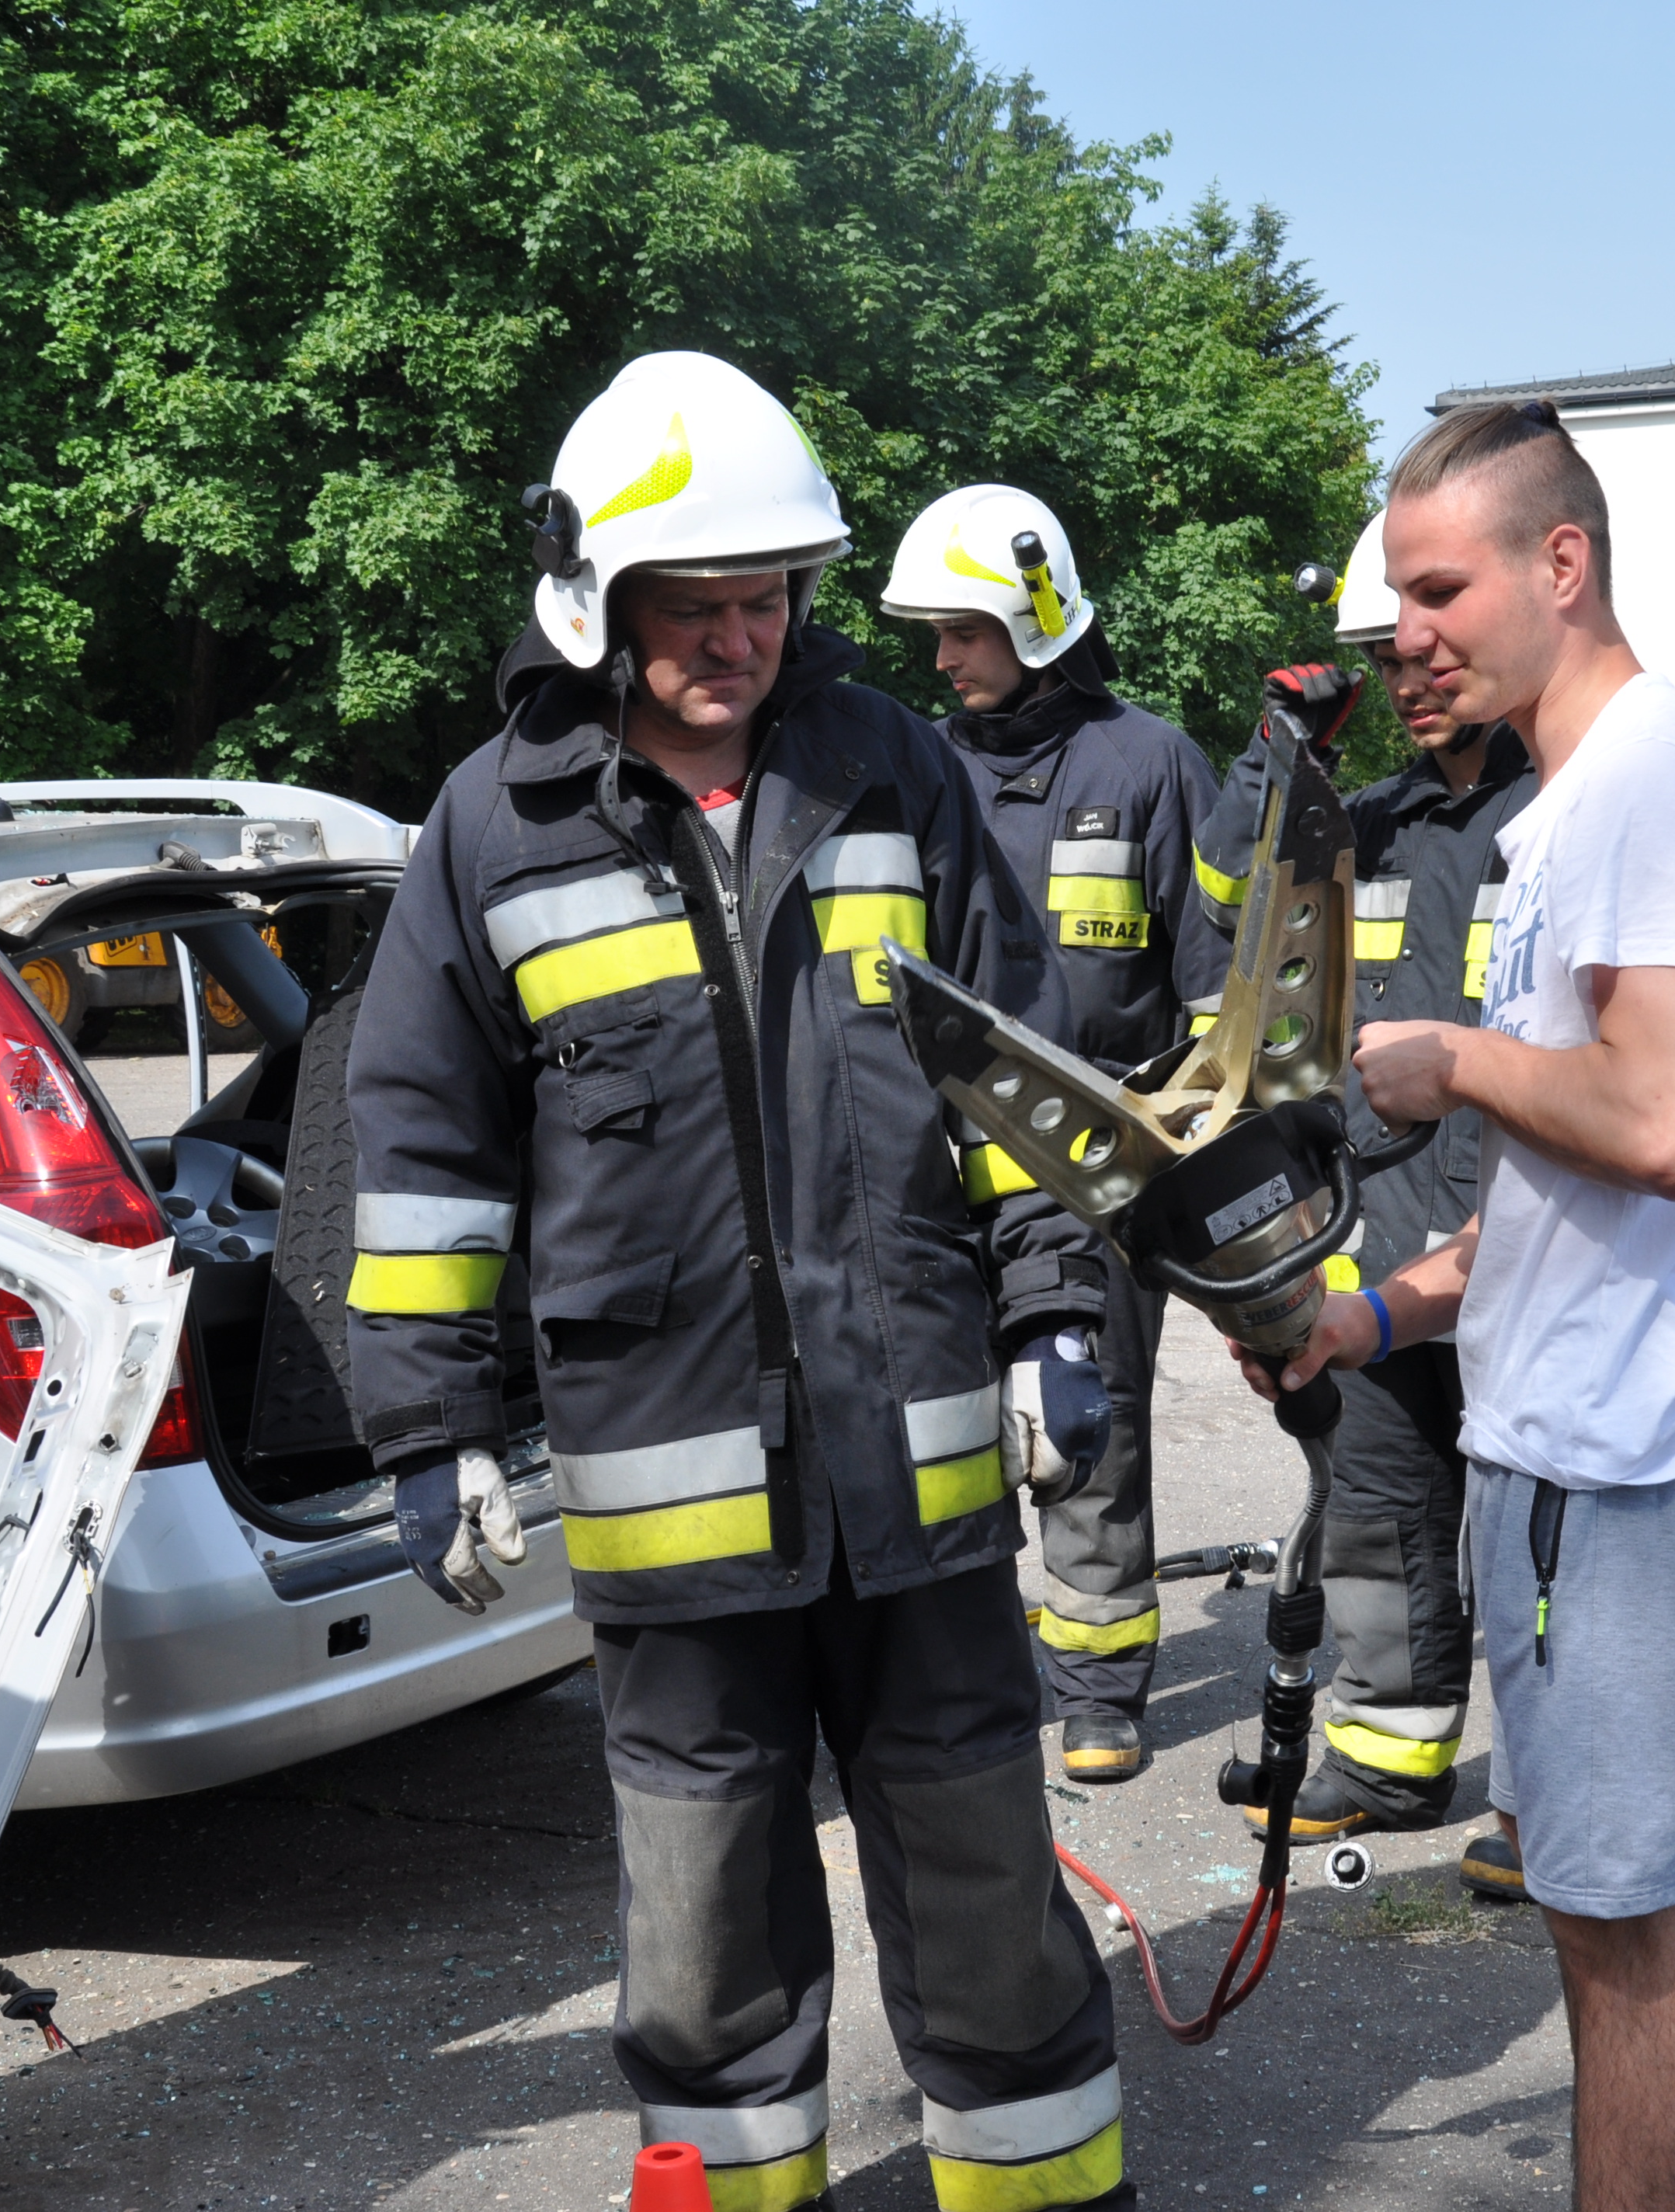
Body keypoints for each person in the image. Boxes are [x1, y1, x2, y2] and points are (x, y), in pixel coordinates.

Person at [347, 352, 1136, 2212]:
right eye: (692, 603)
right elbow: (420, 1142)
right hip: (670, 1482)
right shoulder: (493, 823)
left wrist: (1054, 1310)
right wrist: (430, 1421)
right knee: (702, 1918)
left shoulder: (892, 772)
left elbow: (1016, 1077)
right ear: (593, 602)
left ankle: (1044, 2187)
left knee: (982, 1869)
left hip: (914, 1467)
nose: (737, 637)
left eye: (765, 595)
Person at [1228, 398, 1675, 2210]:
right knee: (1586, 1909)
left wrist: (1453, 1060)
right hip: (1563, 1452)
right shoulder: (1563, 813)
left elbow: (1665, 1124)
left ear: (1561, 562)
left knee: (1625, 1936)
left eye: (1436, 590)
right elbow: (1551, 1208)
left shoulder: (1651, 776)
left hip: (1631, 1461)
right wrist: (1369, 1318)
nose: (1403, 635)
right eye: (1395, 599)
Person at [1188, 510, 1536, 1854]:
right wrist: (1279, 758)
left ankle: (1548, 1799)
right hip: (1381, 1241)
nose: (1407, 677)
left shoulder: (1559, 809)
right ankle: (1391, 1763)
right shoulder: (1367, 820)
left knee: (1535, 1535)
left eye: (1421, 649)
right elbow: (1227, 912)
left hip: (1515, 1235)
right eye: (1382, 658)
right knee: (1380, 1512)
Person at [883, 485, 1232, 1783]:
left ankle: (1097, 1688)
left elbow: (1211, 990)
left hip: (1103, 1164)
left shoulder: (1150, 766)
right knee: (945, 1420)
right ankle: (977, 1671)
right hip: (940, 1157)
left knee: (1092, 1421)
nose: (942, 659)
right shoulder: (912, 769)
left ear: (1034, 621)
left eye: (962, 631)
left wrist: (1190, 1148)